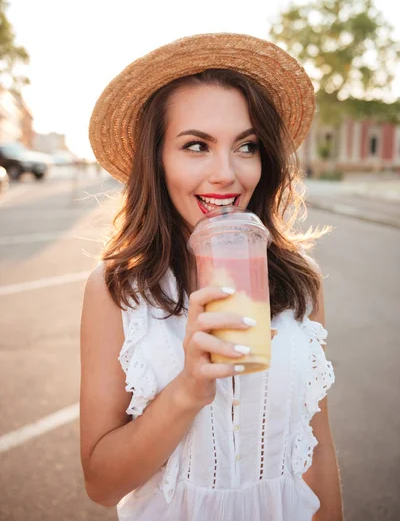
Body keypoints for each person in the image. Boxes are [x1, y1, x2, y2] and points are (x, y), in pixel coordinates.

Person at [80, 33, 343, 521]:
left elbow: (317, 448)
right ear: (156, 160)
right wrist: (187, 390)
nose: (227, 174)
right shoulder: (118, 290)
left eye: (246, 146)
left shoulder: (299, 279)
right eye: (196, 145)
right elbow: (101, 482)